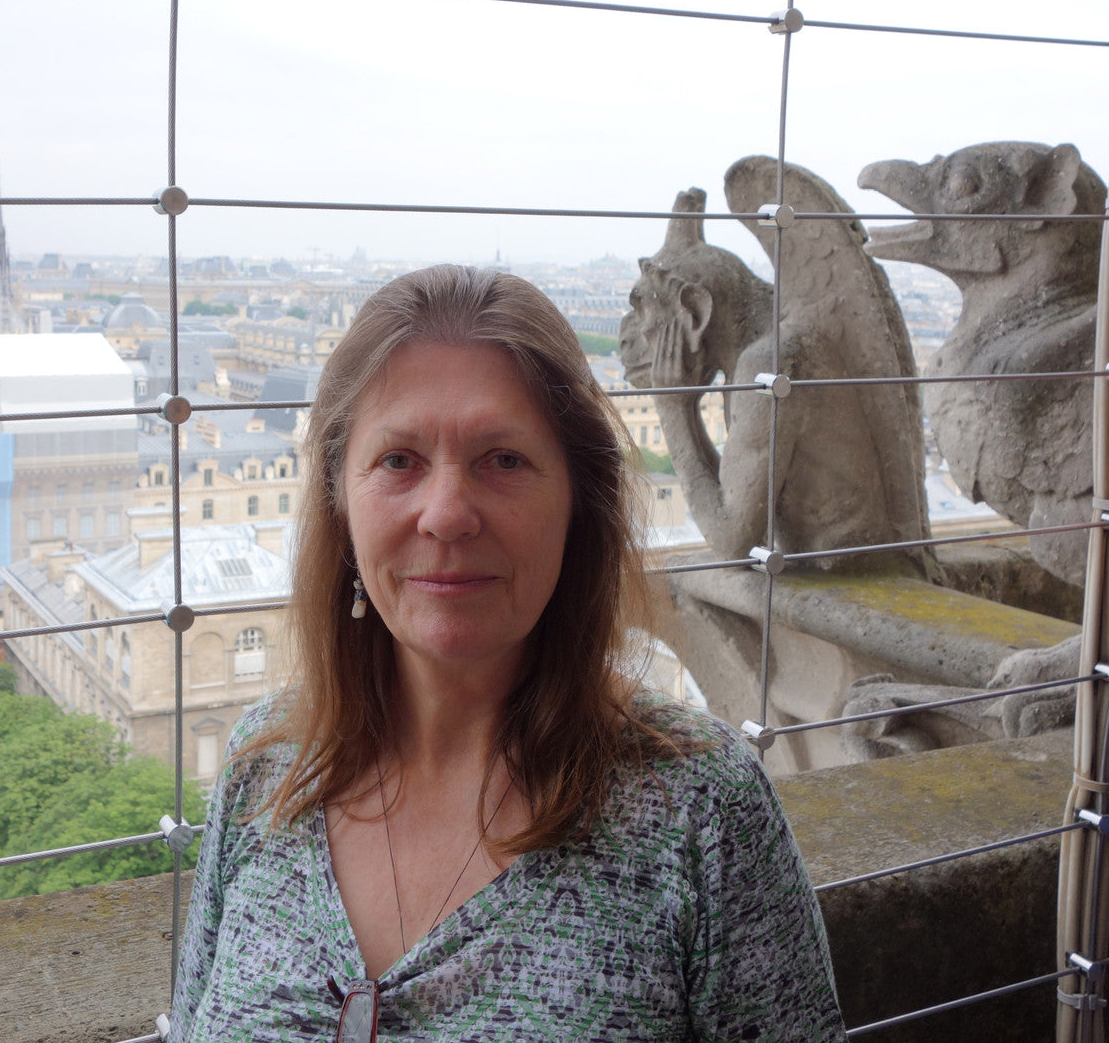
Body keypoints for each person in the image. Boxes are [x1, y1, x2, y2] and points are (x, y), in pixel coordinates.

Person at [171, 265, 846, 1042]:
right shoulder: (265, 772)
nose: (448, 514)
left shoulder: (701, 809)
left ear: (576, 504)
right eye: (399, 461)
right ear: (340, 500)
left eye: (504, 460)